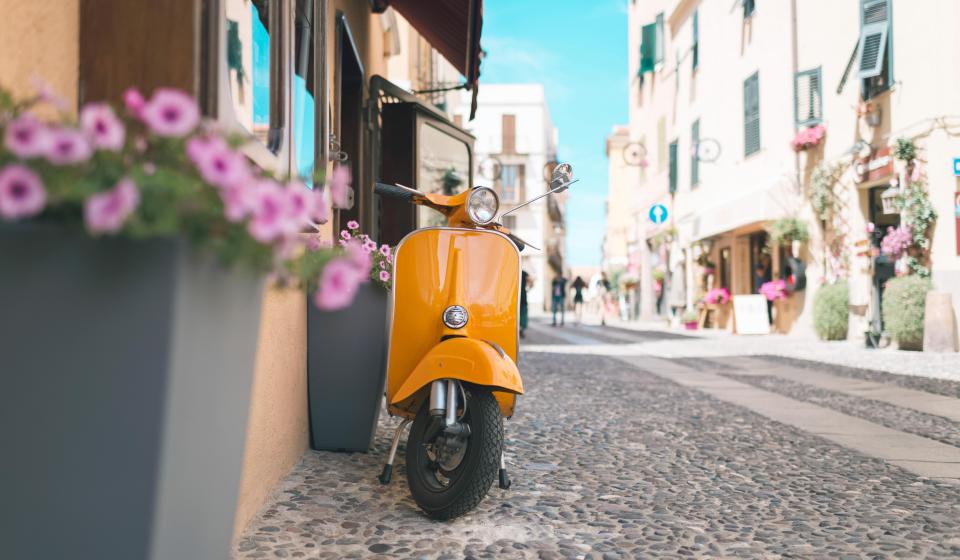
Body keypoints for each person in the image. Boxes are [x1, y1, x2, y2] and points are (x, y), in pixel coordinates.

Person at [519, 269, 530, 338]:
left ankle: (519, 330)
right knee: (523, 315)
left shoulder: (514, 271)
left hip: (516, 296)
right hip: (523, 296)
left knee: (520, 315)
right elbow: (531, 281)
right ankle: (521, 330)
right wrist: (528, 288)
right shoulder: (524, 273)